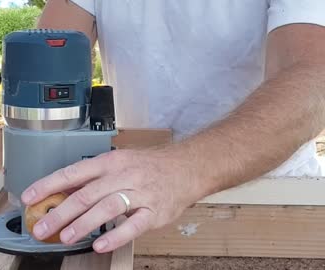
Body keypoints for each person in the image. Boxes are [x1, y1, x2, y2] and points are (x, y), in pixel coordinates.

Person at [20, 0, 325, 253]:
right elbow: (49, 56)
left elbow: (313, 79)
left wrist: (184, 169)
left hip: (268, 200)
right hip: (136, 199)